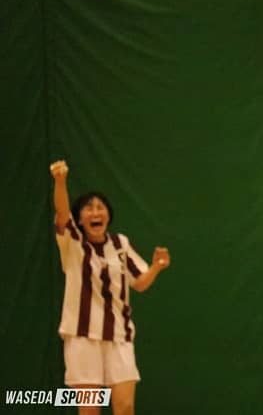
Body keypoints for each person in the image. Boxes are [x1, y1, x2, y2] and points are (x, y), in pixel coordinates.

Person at [49, 160, 171, 415]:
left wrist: (156, 267)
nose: (96, 212)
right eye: (89, 208)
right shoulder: (73, 241)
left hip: (119, 335)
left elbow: (140, 283)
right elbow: (61, 213)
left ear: (108, 215)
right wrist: (60, 181)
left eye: (100, 208)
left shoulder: (120, 244)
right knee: (90, 408)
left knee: (125, 406)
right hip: (82, 336)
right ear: (80, 219)